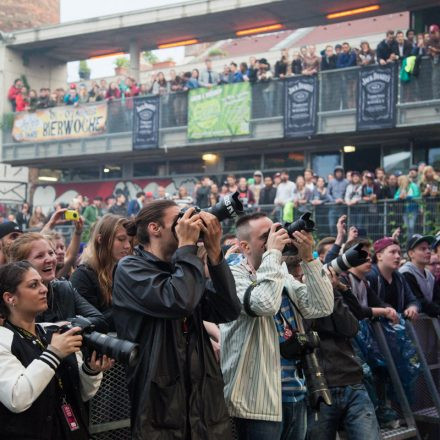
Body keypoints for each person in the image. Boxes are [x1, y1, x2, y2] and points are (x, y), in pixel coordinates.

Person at [112, 200, 241, 439]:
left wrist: (215, 256)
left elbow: (228, 309)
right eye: (179, 220)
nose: (187, 224)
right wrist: (187, 249)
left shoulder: (183, 268)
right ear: (154, 228)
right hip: (161, 411)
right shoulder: (130, 268)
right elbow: (179, 301)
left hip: (204, 409)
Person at [220, 212, 333, 439]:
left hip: (295, 393)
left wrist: (309, 259)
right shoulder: (232, 276)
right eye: (266, 236)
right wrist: (273, 253)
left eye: (276, 231)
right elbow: (264, 304)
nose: (276, 238)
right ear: (245, 245)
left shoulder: (280, 273)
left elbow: (321, 307)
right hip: (257, 402)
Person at [0, 261, 113, 439]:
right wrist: (53, 353)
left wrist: (91, 370)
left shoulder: (54, 331)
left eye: (41, 283)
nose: (44, 289)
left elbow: (83, 393)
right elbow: (17, 398)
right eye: (33, 285)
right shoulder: (3, 340)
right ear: (10, 298)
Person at [306, 265, 382, 440]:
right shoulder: (293, 292)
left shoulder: (332, 293)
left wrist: (333, 291)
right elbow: (307, 328)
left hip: (352, 382)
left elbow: (351, 327)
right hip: (319, 387)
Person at [8, 233, 108, 332]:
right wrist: (50, 330)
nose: (50, 259)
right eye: (40, 256)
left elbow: (100, 320)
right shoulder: (14, 298)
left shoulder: (64, 288)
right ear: (20, 264)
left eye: (51, 253)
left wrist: (68, 326)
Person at [71, 215, 132, 331]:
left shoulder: (125, 272)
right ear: (100, 240)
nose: (127, 246)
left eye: (129, 240)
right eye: (121, 239)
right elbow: (88, 323)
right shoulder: (82, 276)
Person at [339, 239, 398, 322]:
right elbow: (354, 310)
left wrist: (389, 309)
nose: (369, 259)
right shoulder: (342, 281)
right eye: (363, 255)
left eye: (369, 255)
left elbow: (378, 302)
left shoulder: (364, 282)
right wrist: (383, 311)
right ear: (349, 257)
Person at [366, 237, 419, 319]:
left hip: (395, 327)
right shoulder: (370, 276)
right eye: (392, 252)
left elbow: (412, 299)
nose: (398, 256)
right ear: (379, 256)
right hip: (375, 328)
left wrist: (412, 307)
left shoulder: (400, 277)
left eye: (399, 253)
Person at [399, 234, 440, 317]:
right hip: (409, 325)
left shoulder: (430, 275)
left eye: (429, 248)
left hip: (425, 325)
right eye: (423, 249)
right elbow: (419, 301)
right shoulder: (406, 272)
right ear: (411, 254)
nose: (428, 251)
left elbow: (437, 299)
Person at [328, 166, 348, 235]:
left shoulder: (346, 182)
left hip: (342, 208)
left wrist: (343, 200)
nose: (338, 173)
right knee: (332, 225)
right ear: (335, 173)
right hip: (333, 208)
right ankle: (333, 241)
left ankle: (342, 242)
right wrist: (334, 200)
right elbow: (328, 194)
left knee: (342, 225)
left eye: (340, 172)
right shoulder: (331, 182)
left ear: (342, 173)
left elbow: (348, 193)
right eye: (337, 172)